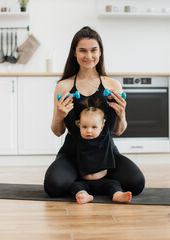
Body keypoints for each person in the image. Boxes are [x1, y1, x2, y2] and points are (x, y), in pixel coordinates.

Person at [44, 26, 145, 199]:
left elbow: (118, 131)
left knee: (136, 182)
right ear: (74, 53)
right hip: (73, 153)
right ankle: (95, 183)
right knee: (54, 186)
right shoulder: (64, 86)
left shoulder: (113, 85)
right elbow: (57, 131)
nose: (88, 56)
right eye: (82, 50)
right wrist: (60, 115)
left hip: (106, 153)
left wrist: (122, 115)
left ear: (100, 52)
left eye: (93, 50)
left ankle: (86, 183)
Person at [65, 99, 132, 204]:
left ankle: (117, 194)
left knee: (114, 184)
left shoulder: (106, 135)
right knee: (75, 186)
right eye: (84, 127)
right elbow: (69, 119)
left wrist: (111, 99)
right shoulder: (78, 137)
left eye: (94, 127)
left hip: (104, 180)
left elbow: (112, 115)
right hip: (83, 181)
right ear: (79, 126)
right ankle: (83, 195)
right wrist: (68, 103)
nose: (89, 130)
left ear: (102, 127)